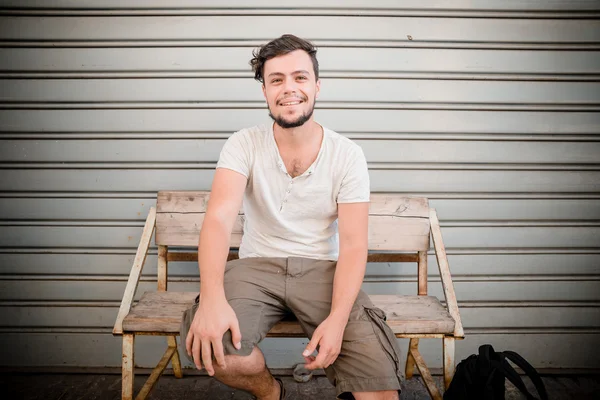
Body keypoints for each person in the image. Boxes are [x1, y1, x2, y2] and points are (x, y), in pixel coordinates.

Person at [182, 34, 403, 400]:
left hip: (323, 271)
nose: (289, 88)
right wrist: (211, 298)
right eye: (276, 79)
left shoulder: (347, 154)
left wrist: (336, 320)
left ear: (317, 86)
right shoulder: (243, 144)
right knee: (217, 351)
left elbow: (352, 244)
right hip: (256, 268)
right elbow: (218, 220)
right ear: (265, 90)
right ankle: (271, 393)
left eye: (300, 77)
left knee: (380, 394)